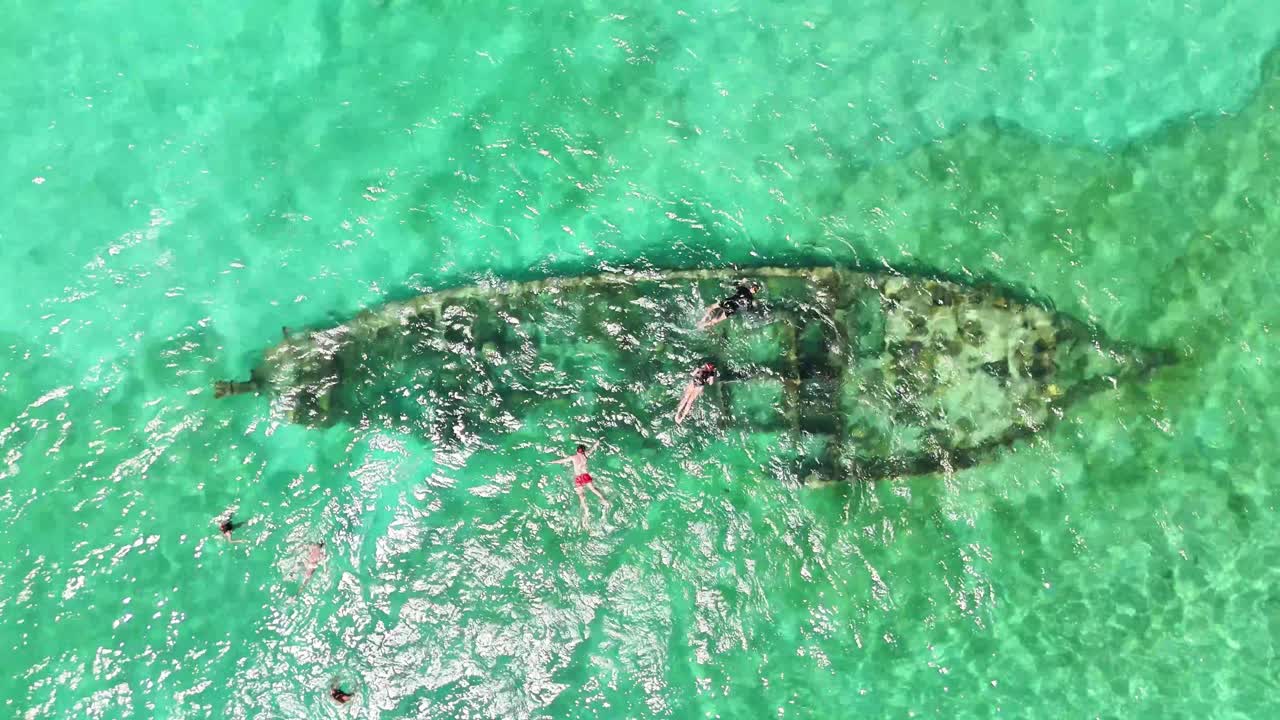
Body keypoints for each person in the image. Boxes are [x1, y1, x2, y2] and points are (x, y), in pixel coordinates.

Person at [548, 440, 608, 527]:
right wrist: (597, 442)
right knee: (593, 489)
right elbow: (593, 448)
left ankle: (586, 510)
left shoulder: (573, 457)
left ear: (577, 451)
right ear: (583, 451)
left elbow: (562, 460)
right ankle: (603, 499)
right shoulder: (586, 455)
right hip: (585, 475)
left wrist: (552, 462)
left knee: (581, 495)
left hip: (579, 478)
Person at [698, 281, 763, 329]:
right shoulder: (750, 300)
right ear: (755, 292)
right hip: (732, 310)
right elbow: (748, 310)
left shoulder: (743, 289)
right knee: (717, 320)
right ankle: (703, 326)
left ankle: (702, 320)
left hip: (728, 302)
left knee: (711, 307)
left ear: (751, 287)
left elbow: (735, 285)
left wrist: (742, 282)